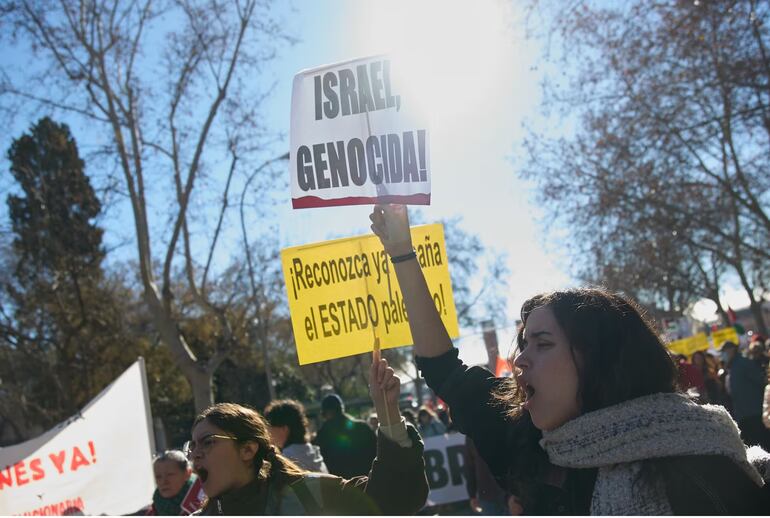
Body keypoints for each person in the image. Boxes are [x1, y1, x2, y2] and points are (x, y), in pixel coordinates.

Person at [369, 204, 770, 514]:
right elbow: (444, 369)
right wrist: (402, 253)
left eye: (543, 344)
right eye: (524, 344)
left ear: (600, 358)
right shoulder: (528, 443)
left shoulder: (700, 468)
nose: (521, 359)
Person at [186, 354, 428, 515]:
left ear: (248, 450)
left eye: (208, 443)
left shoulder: (311, 495)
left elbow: (393, 501)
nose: (195, 454)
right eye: (192, 446)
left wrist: (388, 411)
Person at [313, 393, 377, 478]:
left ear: (325, 413)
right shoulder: (362, 428)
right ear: (341, 409)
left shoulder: (322, 435)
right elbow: (378, 454)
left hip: (340, 487)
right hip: (367, 482)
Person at [721, 340, 770, 450]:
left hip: (755, 413)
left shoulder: (744, 363)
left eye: (725, 351)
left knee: (764, 444)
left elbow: (761, 382)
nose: (723, 355)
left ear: (732, 350)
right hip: (745, 415)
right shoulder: (732, 367)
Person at [264, 399, 328, 473]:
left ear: (284, 429)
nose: (268, 432)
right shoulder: (312, 452)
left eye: (270, 427)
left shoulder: (287, 461)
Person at [146, 450, 202, 515]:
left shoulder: (204, 503)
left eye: (170, 474)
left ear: (187, 473)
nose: (163, 482)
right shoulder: (152, 513)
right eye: (158, 477)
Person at [465, 436, 508, 515]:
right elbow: (470, 467)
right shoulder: (470, 435)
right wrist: (472, 495)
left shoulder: (505, 426)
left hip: (508, 494)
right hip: (487, 495)